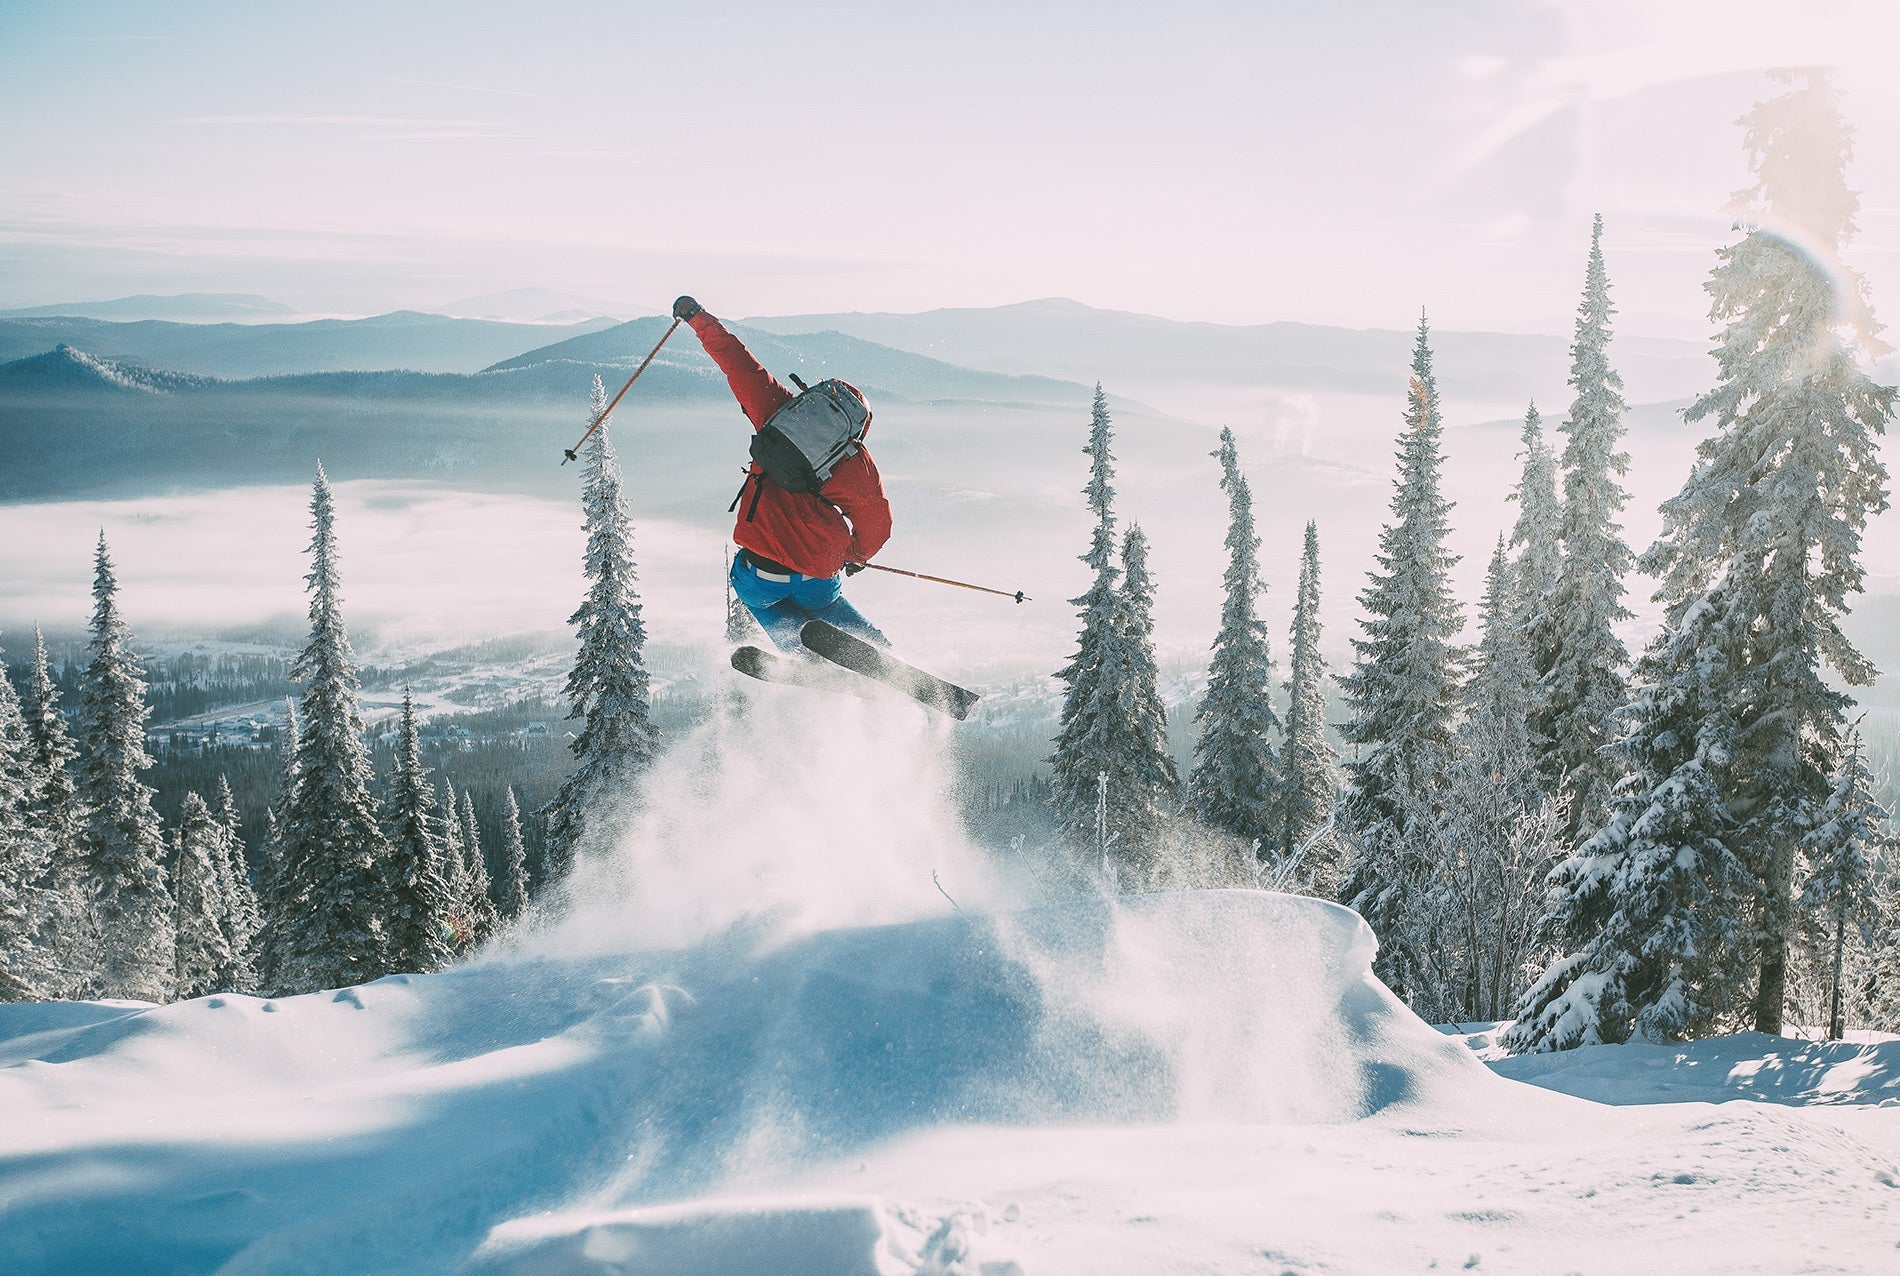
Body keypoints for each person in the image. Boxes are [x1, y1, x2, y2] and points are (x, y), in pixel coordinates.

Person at [674, 294, 892, 653]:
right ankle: (883, 653)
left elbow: (737, 362)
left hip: (763, 573)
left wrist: (697, 318)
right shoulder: (856, 462)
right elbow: (877, 523)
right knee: (827, 605)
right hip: (819, 572)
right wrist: (854, 554)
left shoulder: (776, 410)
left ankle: (800, 656)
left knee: (760, 599)